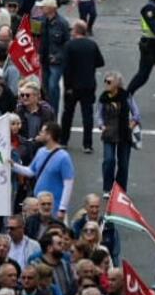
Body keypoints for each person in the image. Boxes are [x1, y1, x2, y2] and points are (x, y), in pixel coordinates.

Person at [59, 19, 104, 152]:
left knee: (68, 114)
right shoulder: (92, 45)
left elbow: (66, 68)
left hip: (73, 86)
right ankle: (87, 144)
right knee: (87, 115)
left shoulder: (69, 46)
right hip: (88, 84)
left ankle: (64, 140)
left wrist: (67, 86)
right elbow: (100, 62)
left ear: (76, 31)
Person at [99, 71, 139, 191]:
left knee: (123, 164)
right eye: (105, 81)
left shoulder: (126, 96)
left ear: (117, 83)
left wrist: (131, 125)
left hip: (124, 133)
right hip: (109, 133)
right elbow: (99, 114)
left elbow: (136, 113)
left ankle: (120, 189)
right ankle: (107, 188)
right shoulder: (103, 97)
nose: (106, 83)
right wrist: (101, 126)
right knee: (109, 160)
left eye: (109, 81)